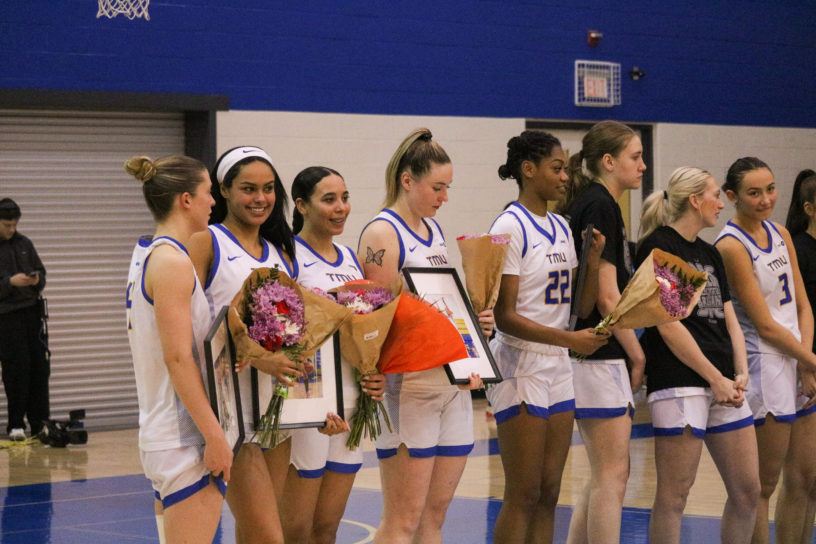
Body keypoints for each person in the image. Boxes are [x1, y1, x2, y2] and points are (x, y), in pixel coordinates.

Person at [188, 146, 345, 544]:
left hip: (277, 411)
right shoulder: (206, 243)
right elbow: (194, 332)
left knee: (257, 530)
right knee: (268, 536)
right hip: (229, 412)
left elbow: (299, 340)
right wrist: (255, 356)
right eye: (248, 188)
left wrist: (317, 403)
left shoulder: (283, 253)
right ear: (223, 189)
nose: (261, 198)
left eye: (269, 188)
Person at [357, 128, 490, 544]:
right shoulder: (382, 234)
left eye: (447, 188)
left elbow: (438, 303)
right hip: (407, 388)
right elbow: (376, 323)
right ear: (407, 180)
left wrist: (471, 326)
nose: (444, 197)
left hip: (451, 385)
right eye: (437, 187)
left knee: (435, 519)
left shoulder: (434, 231)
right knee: (403, 522)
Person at [487, 130, 608, 544]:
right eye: (556, 168)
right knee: (523, 493)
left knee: (550, 493)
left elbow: (583, 306)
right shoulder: (508, 225)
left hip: (556, 363)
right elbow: (504, 316)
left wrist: (592, 262)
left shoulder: (561, 225)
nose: (564, 176)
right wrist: (570, 341)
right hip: (521, 362)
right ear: (528, 170)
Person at [637, 167, 760, 543]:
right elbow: (669, 324)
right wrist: (714, 377)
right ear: (694, 200)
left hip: (724, 381)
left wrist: (740, 370)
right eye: (714, 196)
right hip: (681, 381)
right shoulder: (659, 245)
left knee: (748, 490)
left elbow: (730, 320)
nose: (721, 204)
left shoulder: (710, 252)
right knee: (675, 496)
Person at [124, 155, 232, 544]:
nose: (213, 202)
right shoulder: (171, 262)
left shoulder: (148, 253)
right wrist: (216, 435)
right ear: (186, 199)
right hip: (182, 436)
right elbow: (177, 357)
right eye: (207, 193)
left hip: (165, 431)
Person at [281, 166, 385, 544]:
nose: (341, 208)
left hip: (353, 404)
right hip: (310, 406)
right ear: (302, 205)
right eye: (329, 200)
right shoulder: (288, 256)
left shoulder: (350, 258)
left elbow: (366, 333)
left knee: (326, 529)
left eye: (345, 197)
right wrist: (312, 407)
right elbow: (285, 337)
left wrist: (376, 372)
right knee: (296, 531)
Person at [714, 157, 816, 544]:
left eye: (770, 189)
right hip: (764, 366)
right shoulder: (730, 244)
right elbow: (766, 324)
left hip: (796, 360)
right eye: (754, 193)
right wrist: (808, 360)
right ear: (732, 196)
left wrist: (806, 364)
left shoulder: (781, 234)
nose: (765, 199)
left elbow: (802, 307)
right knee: (762, 485)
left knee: (806, 478)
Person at [558, 120, 647, 544]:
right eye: (635, 156)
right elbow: (607, 298)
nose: (643, 165)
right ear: (608, 161)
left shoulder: (597, 201)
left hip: (590, 356)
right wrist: (637, 352)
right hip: (597, 355)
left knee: (602, 477)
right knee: (613, 476)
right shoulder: (600, 205)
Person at [775, 168, 816, 544]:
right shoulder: (799, 250)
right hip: (807, 371)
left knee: (813, 482)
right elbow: (798, 312)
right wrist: (806, 364)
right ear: (809, 208)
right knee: (800, 478)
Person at [0, 197, 49, 442]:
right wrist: (9, 282)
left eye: (14, 224)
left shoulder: (24, 243)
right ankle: (15, 425)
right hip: (6, 317)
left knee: (39, 368)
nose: (11, 229)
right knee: (16, 370)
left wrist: (36, 279)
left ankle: (40, 423)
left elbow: (42, 271)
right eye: (7, 225)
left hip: (32, 312)